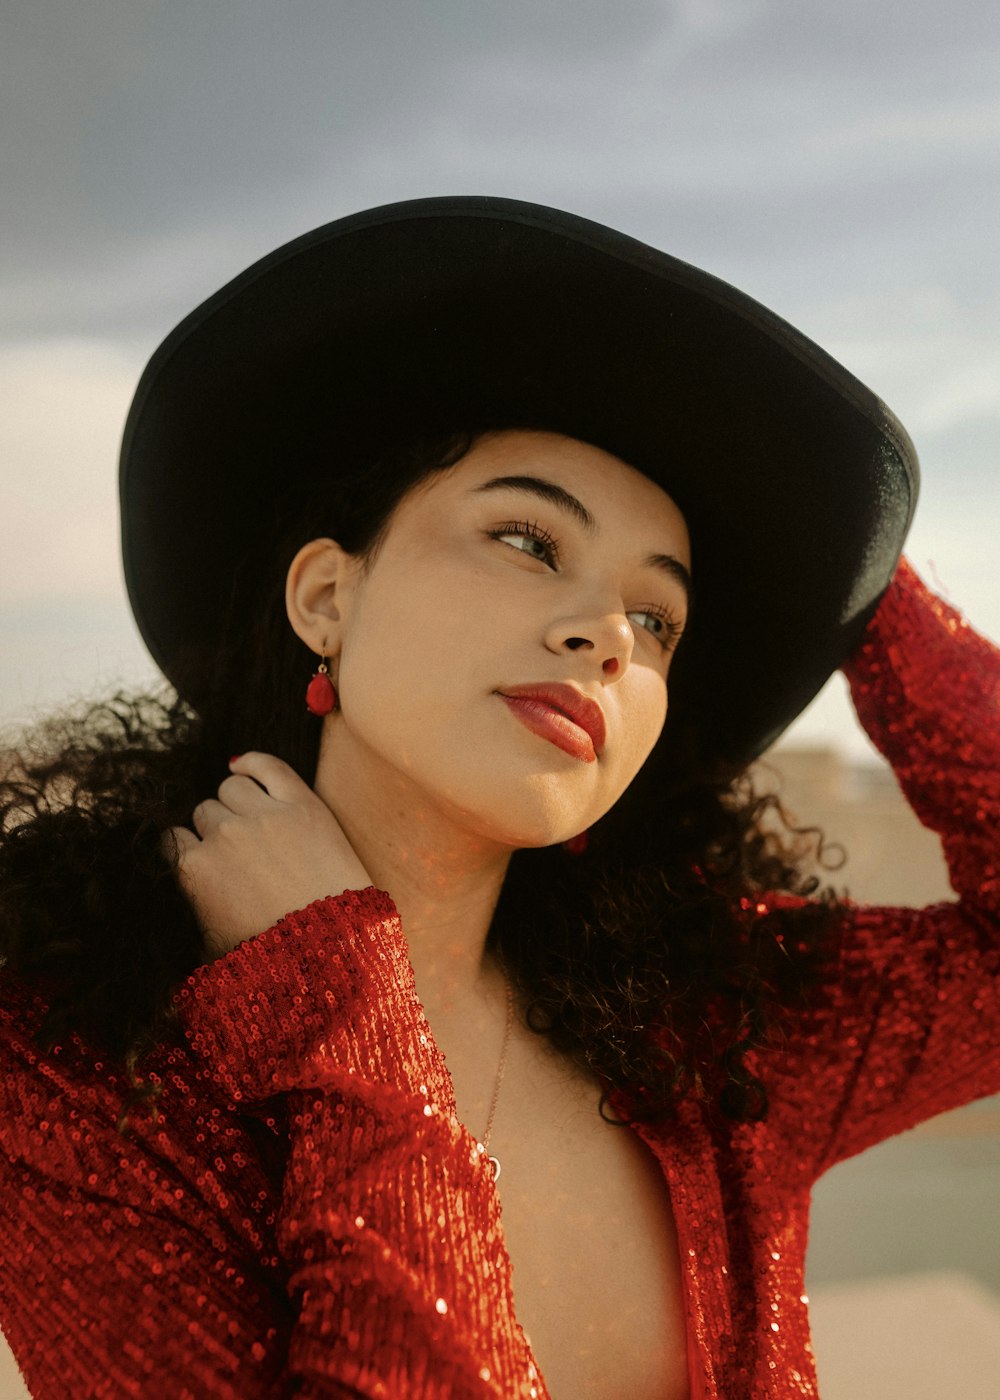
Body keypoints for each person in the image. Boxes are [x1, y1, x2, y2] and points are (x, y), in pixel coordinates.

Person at [0, 196, 996, 1400]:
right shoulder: (76, 1059)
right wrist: (344, 1018)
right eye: (527, 540)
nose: (605, 636)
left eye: (658, 616)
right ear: (324, 595)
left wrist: (847, 574)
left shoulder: (717, 1031)